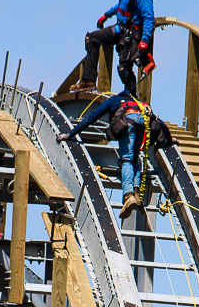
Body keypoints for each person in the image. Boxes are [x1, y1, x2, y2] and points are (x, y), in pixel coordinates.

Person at [56, 91, 148, 219]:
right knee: (134, 160)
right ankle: (137, 194)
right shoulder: (137, 103)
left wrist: (70, 134)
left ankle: (129, 195)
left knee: (126, 159)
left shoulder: (113, 101)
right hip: (143, 122)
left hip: (129, 121)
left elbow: (91, 117)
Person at [71, 0, 155, 96]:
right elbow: (120, 6)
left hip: (132, 34)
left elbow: (149, 17)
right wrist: (106, 15)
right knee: (91, 38)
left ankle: (132, 98)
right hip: (120, 29)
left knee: (124, 69)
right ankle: (88, 80)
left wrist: (145, 40)